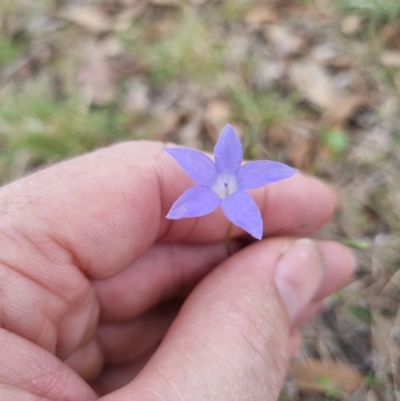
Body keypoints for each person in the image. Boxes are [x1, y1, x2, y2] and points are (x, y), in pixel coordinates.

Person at [0, 141, 354, 401]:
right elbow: (185, 185)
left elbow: (273, 175)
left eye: (229, 182)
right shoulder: (202, 193)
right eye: (223, 182)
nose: (227, 185)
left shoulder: (243, 191)